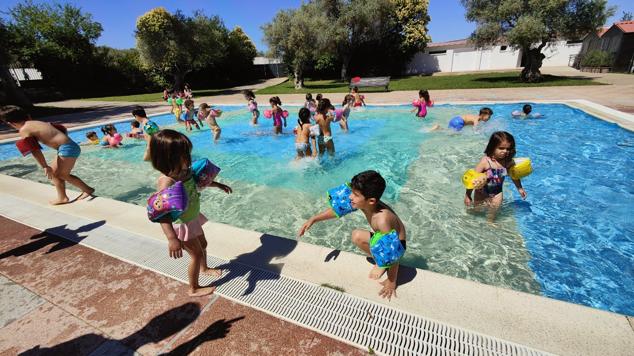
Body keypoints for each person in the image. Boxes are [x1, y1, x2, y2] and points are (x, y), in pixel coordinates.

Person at [298, 170, 406, 300]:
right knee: (356, 236)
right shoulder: (364, 202)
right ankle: (379, 258)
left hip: (397, 245)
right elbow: (338, 209)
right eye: (352, 192)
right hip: (386, 239)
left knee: (384, 252)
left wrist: (392, 282)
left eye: (355, 194)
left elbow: (393, 253)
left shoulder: (382, 220)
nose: (350, 197)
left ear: (371, 200)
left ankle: (381, 263)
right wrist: (314, 219)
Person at [149, 129, 232, 297]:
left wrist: (218, 185)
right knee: (196, 254)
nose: (188, 157)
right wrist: (172, 238)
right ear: (168, 158)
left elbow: (198, 182)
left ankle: (205, 268)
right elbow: (163, 214)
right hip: (182, 224)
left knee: (204, 245)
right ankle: (193, 288)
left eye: (187, 152)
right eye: (183, 154)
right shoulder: (167, 181)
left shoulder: (185, 171)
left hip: (192, 218)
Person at [1, 105, 94, 205]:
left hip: (66, 148)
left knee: (61, 174)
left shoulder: (24, 129)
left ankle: (83, 191)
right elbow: (61, 129)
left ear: (10, 123)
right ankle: (68, 195)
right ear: (26, 115)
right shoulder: (35, 122)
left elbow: (35, 150)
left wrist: (45, 166)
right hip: (67, 146)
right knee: (55, 173)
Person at [465, 131, 527, 222]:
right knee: (477, 209)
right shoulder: (485, 161)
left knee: (494, 208)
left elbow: (514, 175)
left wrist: (520, 188)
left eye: (508, 149)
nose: (505, 151)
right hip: (481, 192)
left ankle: (490, 222)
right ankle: (471, 219)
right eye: (501, 148)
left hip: (497, 192)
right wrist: (468, 195)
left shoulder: (508, 162)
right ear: (492, 147)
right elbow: (472, 179)